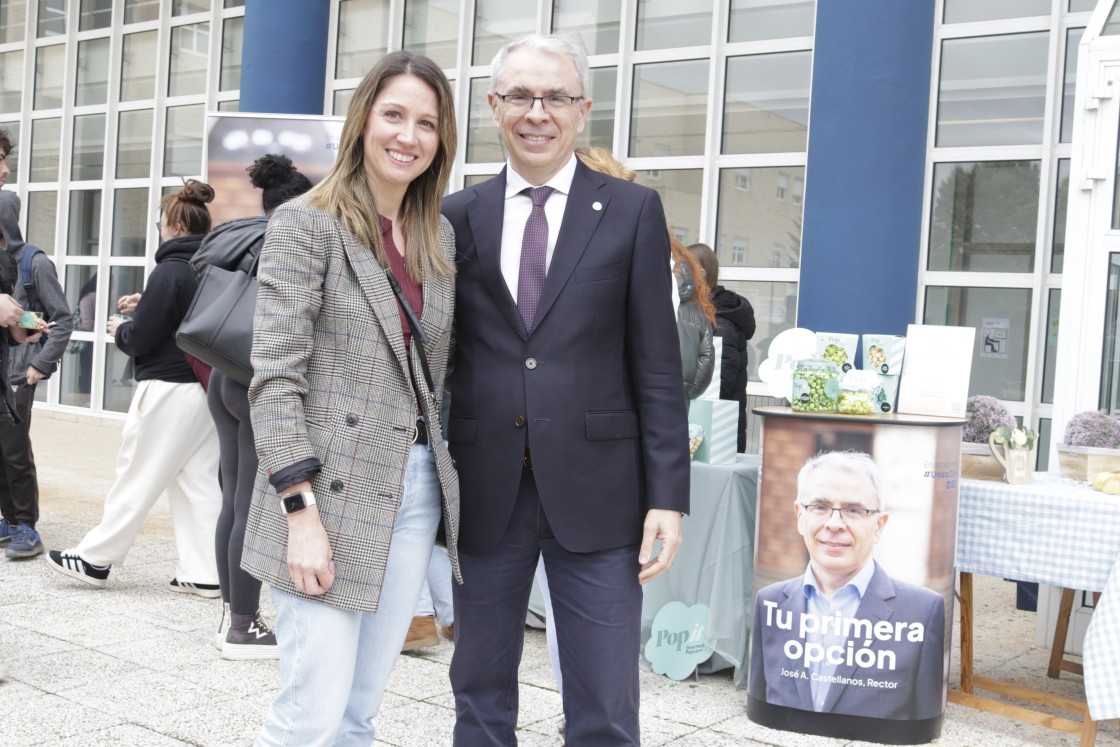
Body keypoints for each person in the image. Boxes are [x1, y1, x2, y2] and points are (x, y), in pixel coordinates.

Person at [441, 34, 689, 746]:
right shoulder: (459, 216)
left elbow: (657, 364)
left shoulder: (633, 211)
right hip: (487, 488)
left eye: (555, 96)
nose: (536, 112)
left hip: (602, 492)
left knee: (606, 704)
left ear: (582, 110)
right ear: (494, 107)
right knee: (480, 694)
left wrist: (667, 494)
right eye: (519, 95)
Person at [239, 51, 460, 746]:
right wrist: (298, 510)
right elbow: (275, 376)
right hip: (324, 495)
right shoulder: (308, 222)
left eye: (426, 122)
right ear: (363, 120)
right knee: (311, 713)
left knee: (359, 712)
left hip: (413, 487)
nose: (408, 135)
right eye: (394, 114)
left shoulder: (437, 236)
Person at [47, 180, 222, 596]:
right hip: (204, 387)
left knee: (137, 471)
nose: (159, 229)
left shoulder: (170, 269)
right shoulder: (213, 267)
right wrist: (145, 306)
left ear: (176, 225)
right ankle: (207, 572)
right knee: (196, 480)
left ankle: (96, 558)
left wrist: (120, 329)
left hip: (166, 388)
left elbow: (141, 338)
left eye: (161, 222)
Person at [201, 154, 312, 660]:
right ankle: (242, 626)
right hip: (255, 381)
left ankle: (231, 613)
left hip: (224, 374)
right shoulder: (294, 240)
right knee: (248, 503)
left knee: (233, 499)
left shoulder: (245, 235)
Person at [748, 451, 946, 720]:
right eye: (820, 507)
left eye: (853, 510)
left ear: (878, 526)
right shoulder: (769, 601)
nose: (834, 524)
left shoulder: (923, 611)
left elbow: (924, 721)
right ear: (800, 516)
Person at [0, 187, 73, 559]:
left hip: (17, 376)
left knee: (13, 451)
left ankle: (26, 525)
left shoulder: (34, 263)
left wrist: (39, 364)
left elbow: (60, 319)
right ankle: (8, 519)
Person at [687, 243, 756, 452]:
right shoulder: (697, 317)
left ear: (700, 273)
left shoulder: (721, 325)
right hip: (704, 432)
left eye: (683, 269)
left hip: (716, 437)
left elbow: (719, 388)